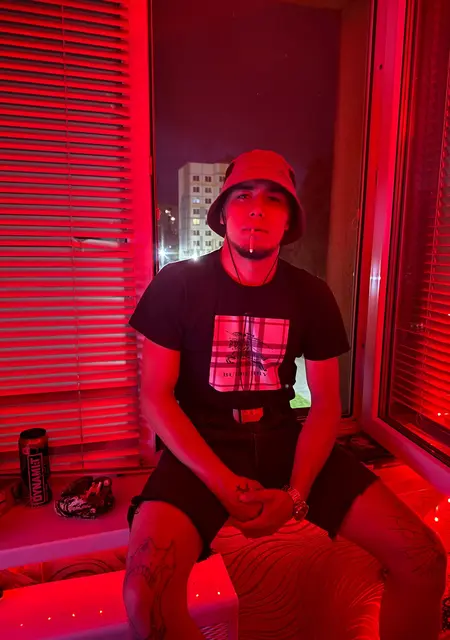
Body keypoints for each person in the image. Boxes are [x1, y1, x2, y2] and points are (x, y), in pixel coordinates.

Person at [123, 150, 447, 640]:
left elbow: (326, 405)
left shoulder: (311, 294)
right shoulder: (178, 284)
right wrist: (221, 483)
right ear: (222, 212)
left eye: (274, 199)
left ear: (290, 219)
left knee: (424, 559)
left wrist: (296, 494)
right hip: (202, 446)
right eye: (243, 196)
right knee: (144, 599)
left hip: (282, 440)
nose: (257, 208)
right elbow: (155, 397)